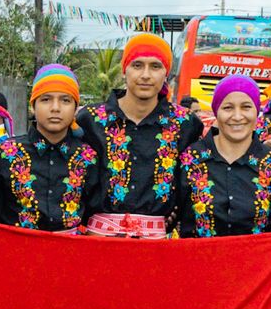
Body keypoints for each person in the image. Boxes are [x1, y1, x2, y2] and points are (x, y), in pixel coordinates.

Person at [78, 33, 201, 237]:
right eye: (137, 65)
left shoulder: (185, 124)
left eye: (155, 66)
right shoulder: (91, 119)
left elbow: (192, 179)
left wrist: (175, 215)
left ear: (166, 73)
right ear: (124, 70)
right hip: (98, 239)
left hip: (157, 241)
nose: (145, 75)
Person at [174, 74, 271, 237]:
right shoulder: (189, 160)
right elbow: (170, 214)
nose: (237, 116)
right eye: (228, 108)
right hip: (196, 253)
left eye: (246, 107)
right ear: (216, 111)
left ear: (257, 111)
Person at [0, 65, 100, 232]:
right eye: (46, 99)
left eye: (65, 100)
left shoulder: (87, 157)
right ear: (33, 106)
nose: (55, 108)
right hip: (17, 246)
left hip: (71, 247)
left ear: (75, 108)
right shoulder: (6, 153)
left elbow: (92, 212)